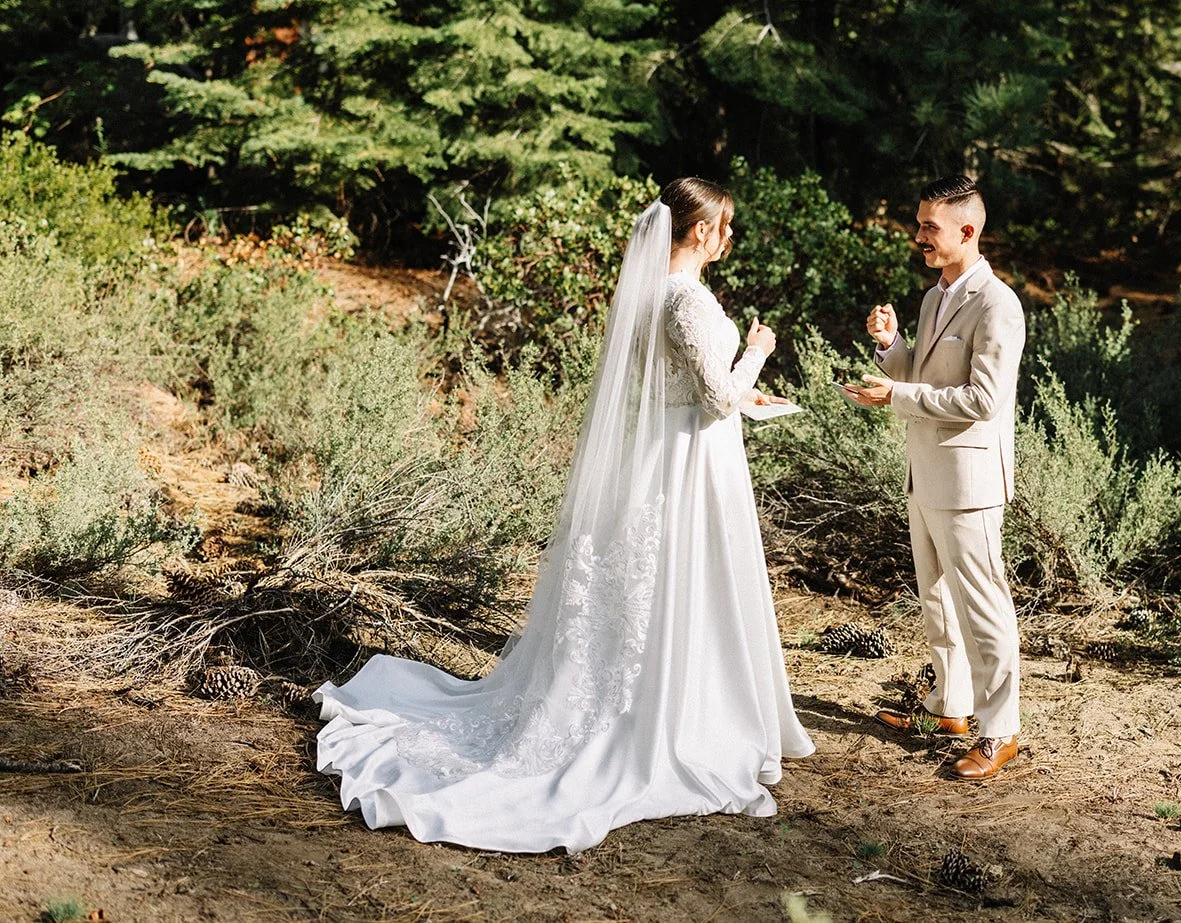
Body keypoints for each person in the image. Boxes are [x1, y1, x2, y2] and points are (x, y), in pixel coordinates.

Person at [313, 178, 815, 853]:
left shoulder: (649, 293)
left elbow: (687, 389)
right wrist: (758, 349)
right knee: (680, 582)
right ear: (700, 231)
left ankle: (677, 694)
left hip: (671, 450)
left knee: (661, 586)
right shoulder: (686, 299)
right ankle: (682, 713)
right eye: (724, 226)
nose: (728, 237)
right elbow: (718, 396)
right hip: (689, 459)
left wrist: (741, 393)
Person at [841, 175, 1026, 781]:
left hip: (970, 480)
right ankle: (950, 706)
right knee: (937, 599)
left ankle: (999, 730)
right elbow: (923, 375)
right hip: (926, 473)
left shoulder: (998, 305)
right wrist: (890, 348)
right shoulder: (932, 296)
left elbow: (981, 398)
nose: (919, 235)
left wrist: (898, 393)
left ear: (967, 232)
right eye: (920, 223)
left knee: (983, 603)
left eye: (930, 226)